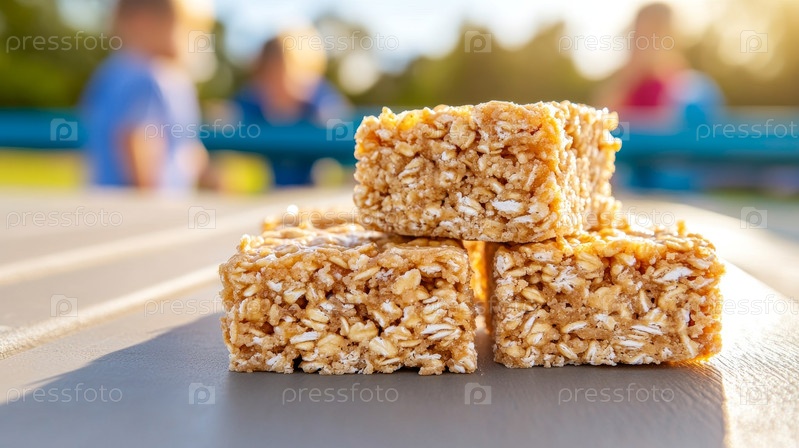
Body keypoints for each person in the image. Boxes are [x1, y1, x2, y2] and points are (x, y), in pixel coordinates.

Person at [81, 0, 209, 192]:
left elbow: (185, 147)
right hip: (143, 205)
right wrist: (149, 203)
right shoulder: (146, 77)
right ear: (143, 23)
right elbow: (137, 144)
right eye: (186, 29)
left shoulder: (110, 72)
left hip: (106, 199)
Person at [234, 29, 350, 185]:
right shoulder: (251, 103)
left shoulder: (321, 104)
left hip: (312, 189)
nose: (277, 84)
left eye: (284, 74)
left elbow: (343, 133)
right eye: (269, 75)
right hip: (271, 189)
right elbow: (231, 120)